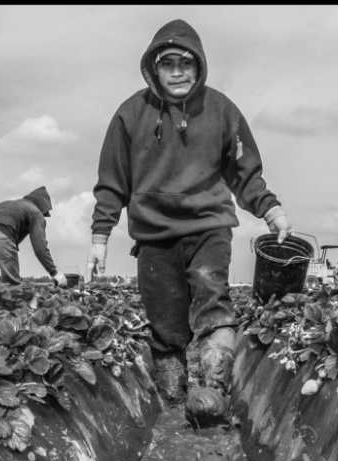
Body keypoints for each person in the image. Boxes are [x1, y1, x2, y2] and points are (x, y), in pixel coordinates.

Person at [86, 19, 291, 425]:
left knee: (213, 304)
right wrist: (99, 235)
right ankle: (173, 402)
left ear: (199, 67)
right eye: (168, 63)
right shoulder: (130, 115)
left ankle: (214, 392)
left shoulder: (221, 110)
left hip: (208, 226)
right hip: (154, 234)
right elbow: (112, 181)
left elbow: (244, 171)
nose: (178, 71)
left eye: (186, 63)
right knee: (165, 325)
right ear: (154, 68)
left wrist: (270, 208)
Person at [0, 186, 67, 287]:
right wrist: (55, 273)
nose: (43, 216)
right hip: (3, 234)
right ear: (42, 207)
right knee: (12, 287)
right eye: (44, 213)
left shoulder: (9, 204)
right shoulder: (35, 213)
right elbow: (40, 248)